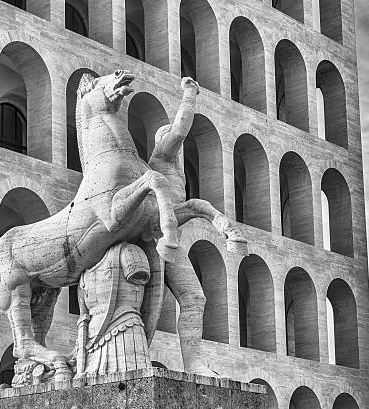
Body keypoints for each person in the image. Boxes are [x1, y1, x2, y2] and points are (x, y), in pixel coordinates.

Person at [148, 77, 247, 376]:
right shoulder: (160, 158)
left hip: (170, 241)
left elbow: (190, 207)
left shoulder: (177, 172)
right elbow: (179, 129)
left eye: (171, 138)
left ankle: (193, 363)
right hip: (152, 239)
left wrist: (217, 220)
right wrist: (189, 95)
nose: (173, 140)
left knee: (195, 298)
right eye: (165, 136)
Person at [75, 242, 152, 376]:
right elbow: (83, 316)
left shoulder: (129, 251)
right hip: (91, 340)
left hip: (124, 328)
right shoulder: (83, 273)